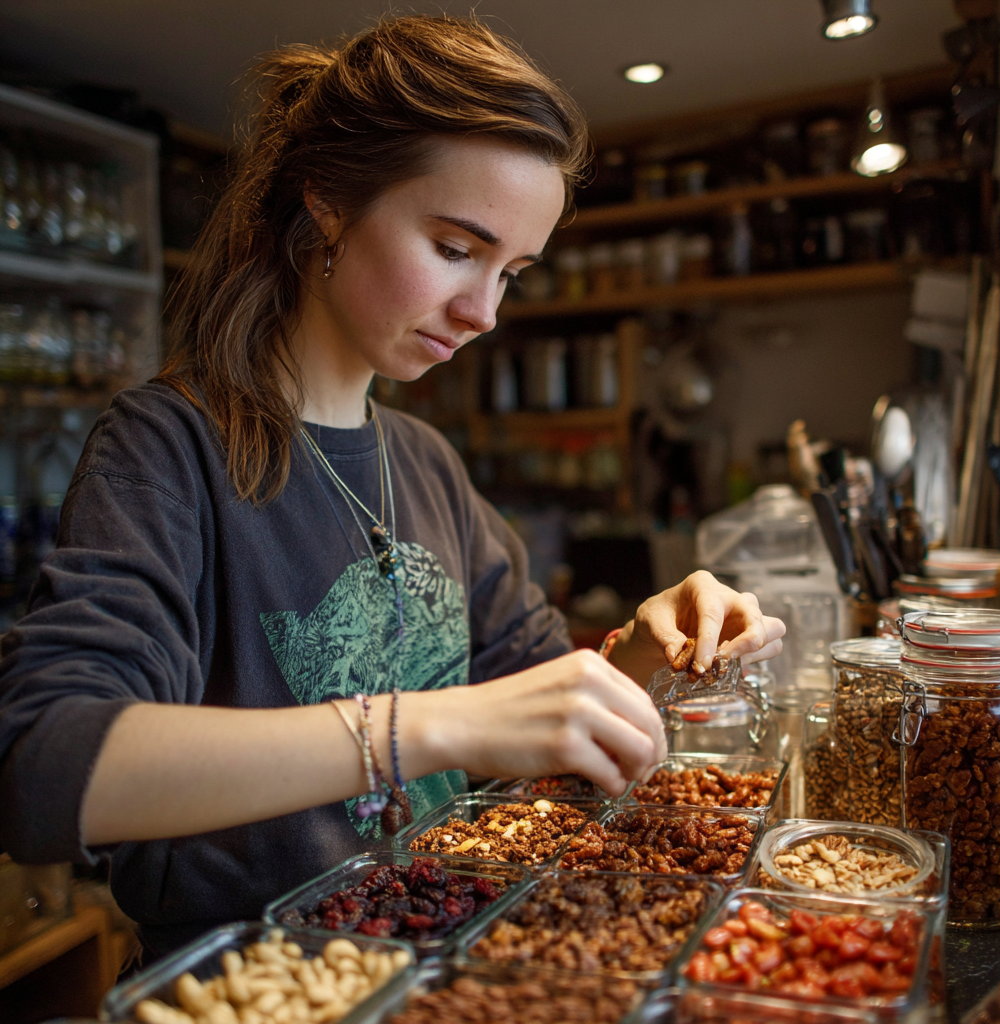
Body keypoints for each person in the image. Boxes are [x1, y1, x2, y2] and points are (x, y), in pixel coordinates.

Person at [0, 15, 784, 956]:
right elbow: (40, 771)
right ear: (328, 201)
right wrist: (432, 726)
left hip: (452, 957)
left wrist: (649, 656)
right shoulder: (168, 447)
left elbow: (530, 706)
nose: (483, 312)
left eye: (511, 273)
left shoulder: (424, 462)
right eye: (456, 249)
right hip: (258, 987)